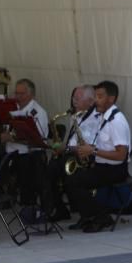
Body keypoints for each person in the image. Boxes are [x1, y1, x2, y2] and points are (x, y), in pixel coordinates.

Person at [65, 81, 131, 233]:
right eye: (95, 96)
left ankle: (101, 216)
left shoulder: (117, 121)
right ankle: (88, 216)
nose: (95, 100)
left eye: (100, 96)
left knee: (74, 182)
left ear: (111, 99)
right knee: (72, 178)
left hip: (115, 169)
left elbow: (121, 155)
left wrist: (93, 151)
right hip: (104, 164)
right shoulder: (103, 117)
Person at [47, 85, 98, 220]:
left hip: (85, 158)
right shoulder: (75, 115)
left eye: (78, 98)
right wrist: (60, 146)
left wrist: (67, 149)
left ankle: (85, 215)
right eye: (73, 97)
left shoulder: (96, 119)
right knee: (48, 170)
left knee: (66, 174)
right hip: (71, 155)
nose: (74, 101)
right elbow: (69, 140)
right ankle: (60, 209)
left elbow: (91, 146)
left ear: (91, 101)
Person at [0, 78, 50, 207]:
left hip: (28, 154)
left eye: (21, 94)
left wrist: (12, 138)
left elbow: (39, 139)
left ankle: (27, 203)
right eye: (16, 93)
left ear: (31, 95)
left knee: (26, 165)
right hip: (11, 151)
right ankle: (0, 197)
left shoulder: (38, 112)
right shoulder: (11, 108)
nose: (17, 96)